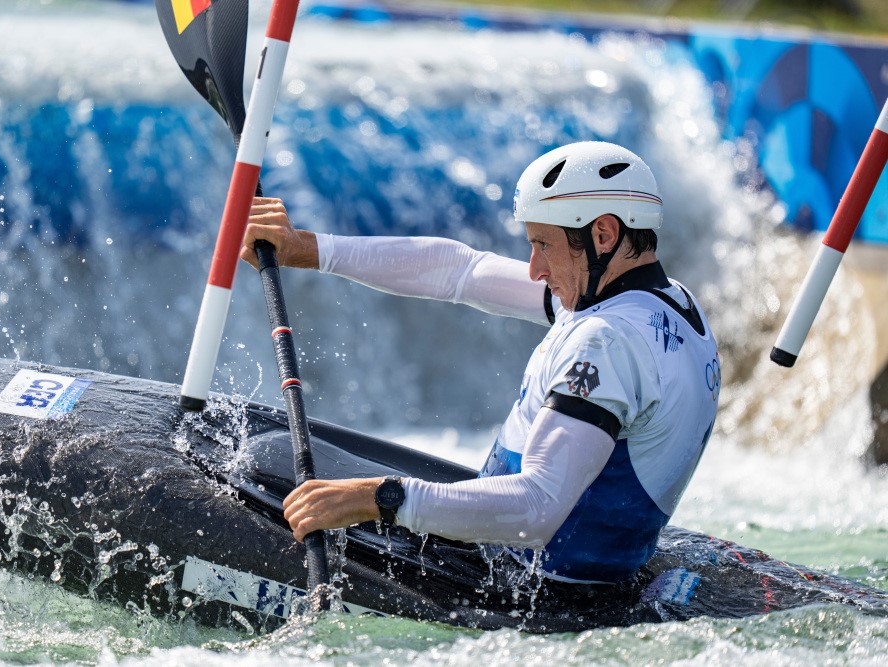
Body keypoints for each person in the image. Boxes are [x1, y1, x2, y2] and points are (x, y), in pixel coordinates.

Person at [240, 141, 720, 583]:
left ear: (603, 234)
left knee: (261, 463)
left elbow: (536, 508)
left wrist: (378, 498)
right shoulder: (669, 304)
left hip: (528, 578)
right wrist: (308, 249)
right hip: (588, 562)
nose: (535, 269)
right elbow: (461, 271)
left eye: (543, 244)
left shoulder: (607, 343)